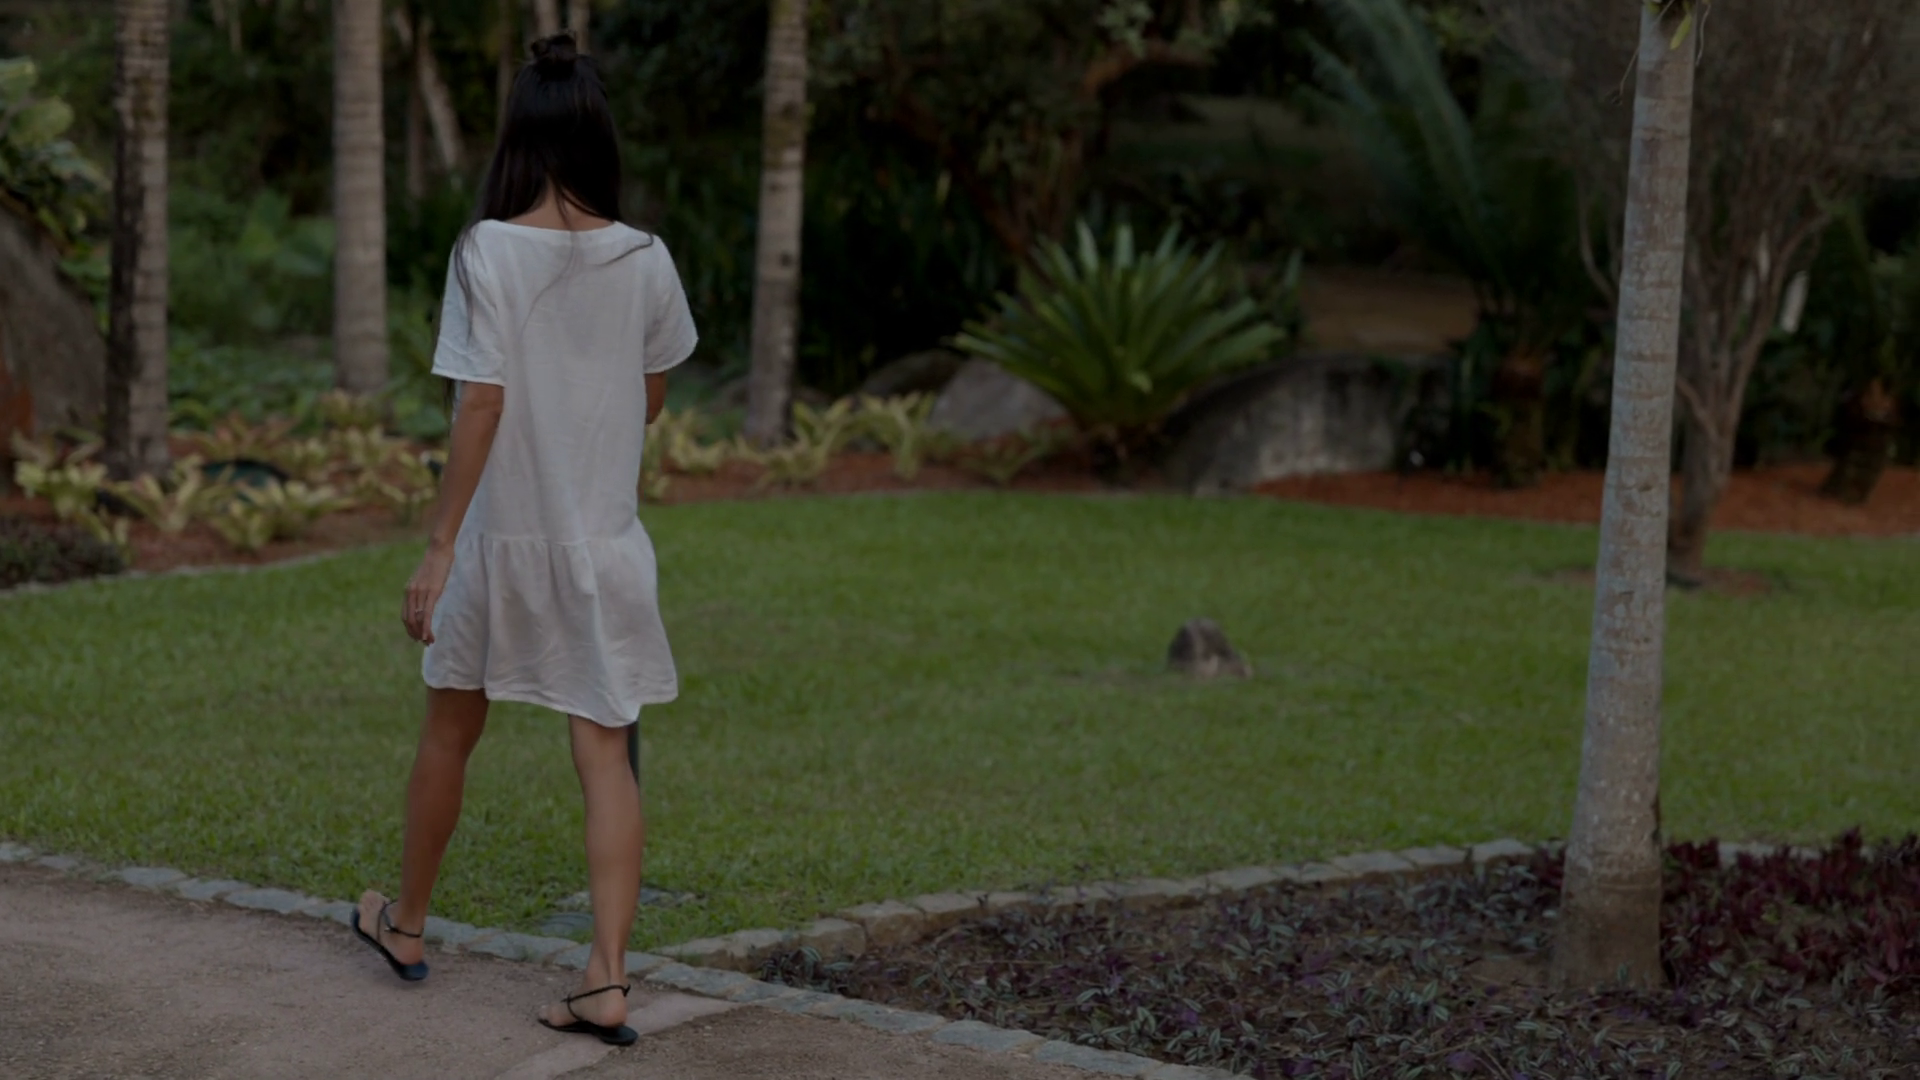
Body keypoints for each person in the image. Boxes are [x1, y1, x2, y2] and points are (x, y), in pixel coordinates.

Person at [350, 32, 696, 1048]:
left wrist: (438, 545)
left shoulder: (486, 251)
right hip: (604, 547)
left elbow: (481, 404)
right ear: (598, 139)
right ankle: (607, 980)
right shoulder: (647, 258)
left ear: (516, 139)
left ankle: (406, 926)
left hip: (501, 545)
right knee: (605, 758)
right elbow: (652, 397)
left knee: (450, 731)